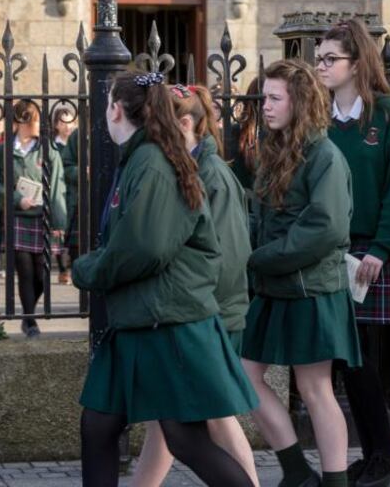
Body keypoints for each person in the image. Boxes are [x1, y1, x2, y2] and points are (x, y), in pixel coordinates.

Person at [73, 72, 257, 487]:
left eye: (106, 104)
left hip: (168, 321)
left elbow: (145, 248)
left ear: (116, 109)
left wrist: (90, 270)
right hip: (143, 319)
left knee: (185, 437)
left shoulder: (152, 162)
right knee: (99, 424)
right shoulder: (144, 157)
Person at [131, 84, 259, 487]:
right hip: (199, 314)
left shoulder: (212, 173)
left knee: (217, 419)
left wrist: (205, 316)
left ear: (185, 124)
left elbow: (227, 256)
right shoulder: (187, 167)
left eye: (158, 124)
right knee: (167, 420)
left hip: (212, 315)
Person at [241, 59, 362, 487]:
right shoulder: (275, 150)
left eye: (275, 98)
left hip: (312, 289)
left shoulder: (325, 155)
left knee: (315, 390)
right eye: (265, 98)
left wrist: (260, 258)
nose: (266, 107)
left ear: (299, 101)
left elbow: (326, 227)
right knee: (245, 376)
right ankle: (296, 471)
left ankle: (334, 481)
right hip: (276, 286)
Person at [317, 18, 390, 486]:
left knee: (367, 361)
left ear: (356, 63)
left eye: (330, 59)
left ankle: (384, 451)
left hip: (374, 253)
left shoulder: (388, 114)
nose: (321, 67)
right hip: (330, 250)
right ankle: (379, 450)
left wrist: (382, 247)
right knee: (343, 361)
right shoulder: (319, 116)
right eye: (319, 59)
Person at [1, 100, 67, 338]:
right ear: (20, 122)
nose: (38, 124)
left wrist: (60, 221)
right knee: (25, 273)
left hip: (44, 218)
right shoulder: (5, 150)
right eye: (33, 119)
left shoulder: (48, 149)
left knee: (41, 275)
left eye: (39, 119)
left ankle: (28, 313)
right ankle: (30, 321)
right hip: (18, 217)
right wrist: (17, 198)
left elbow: (58, 184)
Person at [52, 106, 77, 285]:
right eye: (63, 122)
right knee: (59, 233)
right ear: (56, 125)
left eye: (70, 122)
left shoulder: (79, 141)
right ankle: (62, 270)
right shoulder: (54, 145)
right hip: (59, 192)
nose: (67, 126)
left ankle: (74, 268)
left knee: (75, 235)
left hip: (76, 193)